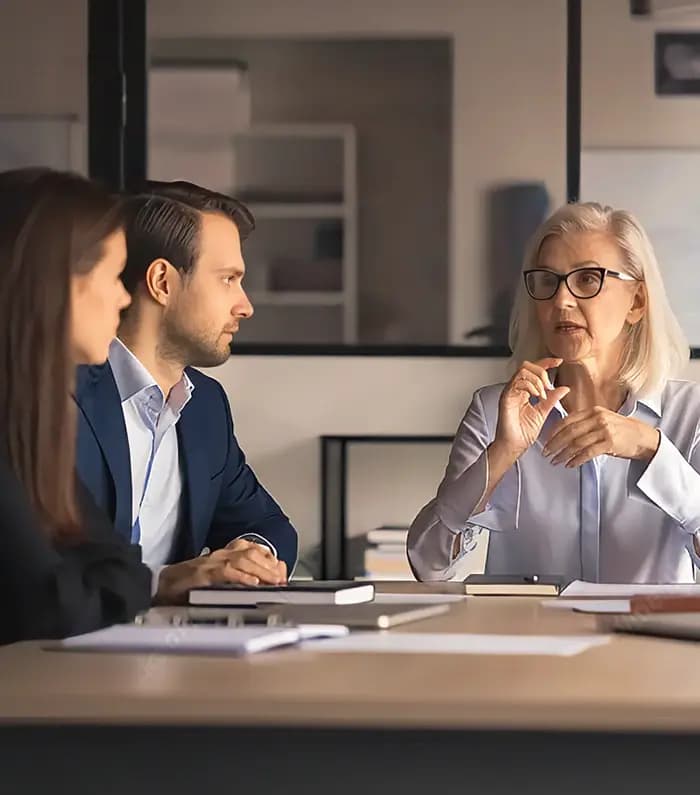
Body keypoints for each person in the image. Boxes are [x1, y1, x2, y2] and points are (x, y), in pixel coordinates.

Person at [408, 201, 699, 584]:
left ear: (637, 302)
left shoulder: (690, 413)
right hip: (531, 640)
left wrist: (652, 450)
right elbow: (429, 567)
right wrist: (502, 453)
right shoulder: (494, 410)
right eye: (548, 281)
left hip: (648, 641)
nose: (561, 301)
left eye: (587, 279)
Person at [74, 180, 298, 604]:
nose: (245, 306)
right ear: (162, 281)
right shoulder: (57, 396)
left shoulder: (205, 406)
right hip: (53, 656)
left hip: (173, 652)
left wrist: (250, 555)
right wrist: (162, 582)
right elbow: (39, 574)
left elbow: (269, 524)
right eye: (228, 279)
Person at [0, 168, 151, 644]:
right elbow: (47, 606)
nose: (125, 298)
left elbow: (125, 569)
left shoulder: (28, 418)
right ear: (58, 282)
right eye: (113, 275)